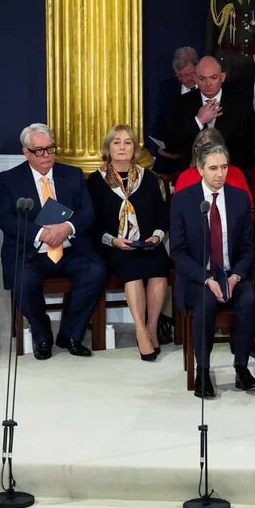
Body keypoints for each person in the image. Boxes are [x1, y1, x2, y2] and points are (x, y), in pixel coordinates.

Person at [0, 124, 106, 360]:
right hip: (31, 251)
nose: (47, 155)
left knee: (95, 271)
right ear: (26, 152)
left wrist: (67, 227)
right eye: (39, 151)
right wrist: (40, 233)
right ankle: (42, 334)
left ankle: (70, 334)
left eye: (50, 149)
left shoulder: (72, 174)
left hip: (70, 248)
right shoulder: (10, 179)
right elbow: (5, 218)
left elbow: (88, 212)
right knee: (22, 280)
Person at [167, 145, 255, 399]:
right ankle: (203, 372)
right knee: (206, 303)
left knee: (248, 299)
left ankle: (241, 367)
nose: (220, 174)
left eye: (224, 167)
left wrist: (235, 276)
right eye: (213, 168)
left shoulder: (240, 198)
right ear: (199, 169)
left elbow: (249, 249)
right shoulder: (184, 200)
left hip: (232, 273)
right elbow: (179, 251)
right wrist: (207, 279)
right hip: (198, 276)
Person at [85, 125, 170, 363]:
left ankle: (151, 327)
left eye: (127, 143)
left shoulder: (149, 178)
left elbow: (163, 216)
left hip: (147, 242)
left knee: (158, 266)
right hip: (113, 245)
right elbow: (91, 224)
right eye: (117, 142)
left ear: (134, 149)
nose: (122, 147)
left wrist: (156, 236)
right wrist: (114, 240)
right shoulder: (95, 181)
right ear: (108, 148)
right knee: (131, 266)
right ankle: (140, 332)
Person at [165, 57, 251, 180]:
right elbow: (172, 144)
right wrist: (198, 121)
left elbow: (246, 146)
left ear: (223, 77)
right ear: (195, 78)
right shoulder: (182, 103)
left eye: (213, 78)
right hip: (193, 174)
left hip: (229, 175)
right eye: (202, 79)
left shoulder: (240, 103)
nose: (208, 83)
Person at [149, 47, 200, 163]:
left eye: (189, 75)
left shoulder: (207, 89)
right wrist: (161, 148)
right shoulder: (167, 89)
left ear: (198, 68)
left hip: (198, 155)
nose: (185, 80)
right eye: (180, 76)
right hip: (170, 156)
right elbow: (159, 122)